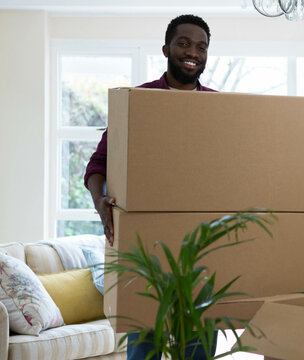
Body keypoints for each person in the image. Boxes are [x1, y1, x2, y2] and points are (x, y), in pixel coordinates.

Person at [84, 14, 217, 360]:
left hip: (204, 254)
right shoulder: (135, 102)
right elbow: (98, 165)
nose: (193, 52)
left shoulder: (222, 108)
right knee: (144, 352)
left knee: (198, 353)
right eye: (184, 43)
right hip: (147, 255)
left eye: (201, 47)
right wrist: (101, 202)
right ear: (166, 48)